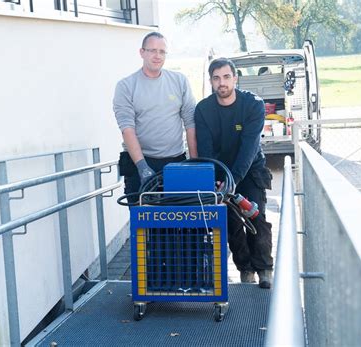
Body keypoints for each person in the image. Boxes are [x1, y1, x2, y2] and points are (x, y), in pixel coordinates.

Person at [195, 57, 274, 288]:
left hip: (249, 170)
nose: (222, 83)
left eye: (226, 77)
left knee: (255, 216)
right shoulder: (203, 110)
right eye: (217, 78)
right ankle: (245, 270)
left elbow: (249, 148)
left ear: (235, 78)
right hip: (220, 172)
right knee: (230, 223)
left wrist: (234, 181)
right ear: (211, 81)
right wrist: (221, 182)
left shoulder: (253, 105)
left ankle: (264, 269)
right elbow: (206, 150)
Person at [113, 32, 197, 203]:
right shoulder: (126, 86)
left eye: (162, 51)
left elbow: (190, 122)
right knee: (143, 224)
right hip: (140, 163)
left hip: (175, 163)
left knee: (178, 224)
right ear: (142, 52)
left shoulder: (179, 81)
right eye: (152, 50)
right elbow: (127, 128)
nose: (157, 56)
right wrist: (142, 167)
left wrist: (195, 162)